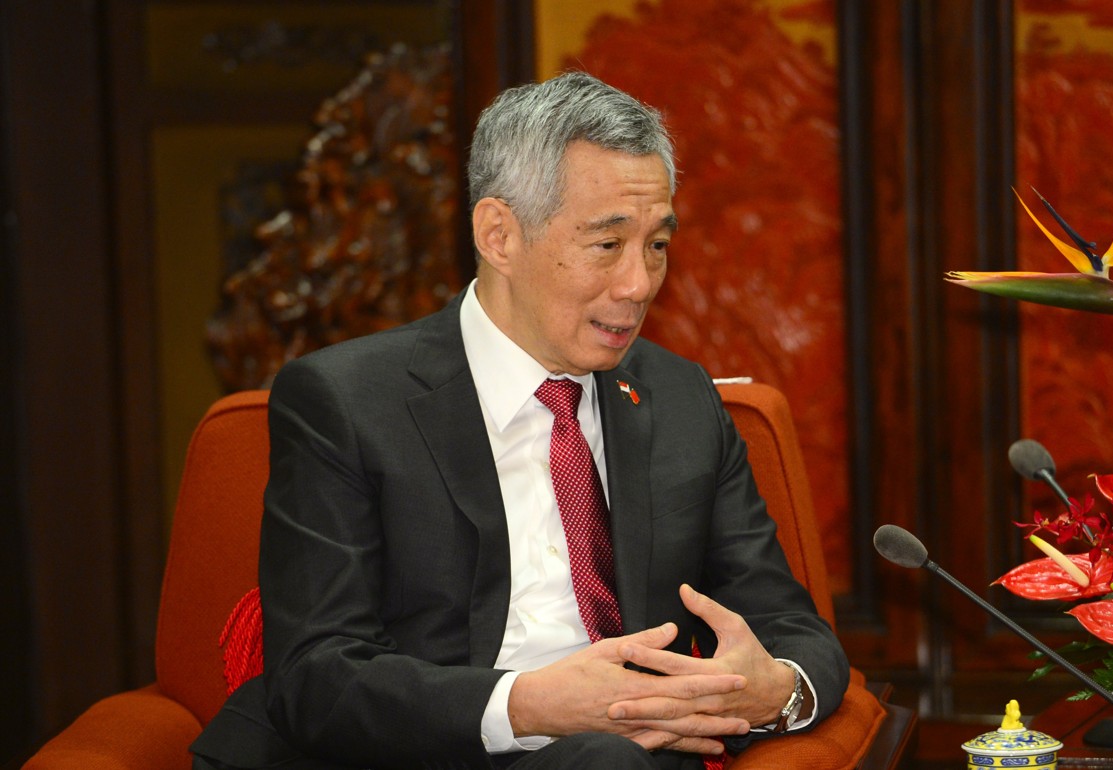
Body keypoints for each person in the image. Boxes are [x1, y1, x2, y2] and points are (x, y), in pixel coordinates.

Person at [191, 71, 849, 770]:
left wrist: (776, 690)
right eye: (607, 245)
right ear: (499, 234)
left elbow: (792, 627)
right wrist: (527, 705)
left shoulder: (680, 399)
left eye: (656, 245)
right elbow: (315, 676)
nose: (638, 283)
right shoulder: (346, 402)